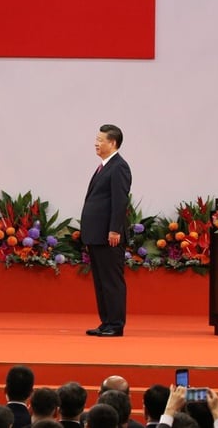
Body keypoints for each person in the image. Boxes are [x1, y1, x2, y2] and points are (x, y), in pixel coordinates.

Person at [81, 124, 132, 337]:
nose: (96, 143)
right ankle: (106, 321)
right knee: (101, 282)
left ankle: (116, 324)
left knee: (111, 281)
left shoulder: (119, 167)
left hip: (109, 236)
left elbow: (120, 201)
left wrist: (114, 230)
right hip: (97, 235)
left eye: (100, 139)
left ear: (112, 143)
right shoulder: (104, 166)